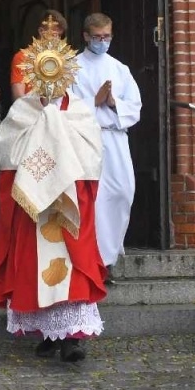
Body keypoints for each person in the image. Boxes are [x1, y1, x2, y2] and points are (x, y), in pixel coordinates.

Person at [0, 39, 106, 362]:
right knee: (33, 265)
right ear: (35, 76)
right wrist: (44, 129)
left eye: (58, 75)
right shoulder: (22, 110)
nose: (52, 82)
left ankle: (71, 338)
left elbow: (91, 154)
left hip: (69, 201)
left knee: (73, 266)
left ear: (68, 75)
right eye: (46, 75)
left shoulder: (80, 112)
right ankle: (47, 333)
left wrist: (57, 133)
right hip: (34, 206)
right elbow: (9, 152)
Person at [68, 14, 142, 274]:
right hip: (87, 138)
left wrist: (113, 102)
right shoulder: (72, 67)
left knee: (123, 192)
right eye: (97, 37)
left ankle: (109, 253)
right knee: (94, 200)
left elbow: (135, 107)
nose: (102, 41)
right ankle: (97, 262)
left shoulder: (119, 68)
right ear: (86, 36)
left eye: (107, 37)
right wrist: (94, 101)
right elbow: (64, 107)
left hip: (115, 138)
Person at [11, 11, 68, 99]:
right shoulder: (22, 57)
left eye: (59, 36)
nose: (57, 39)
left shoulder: (60, 59)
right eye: (54, 35)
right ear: (41, 31)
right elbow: (18, 97)